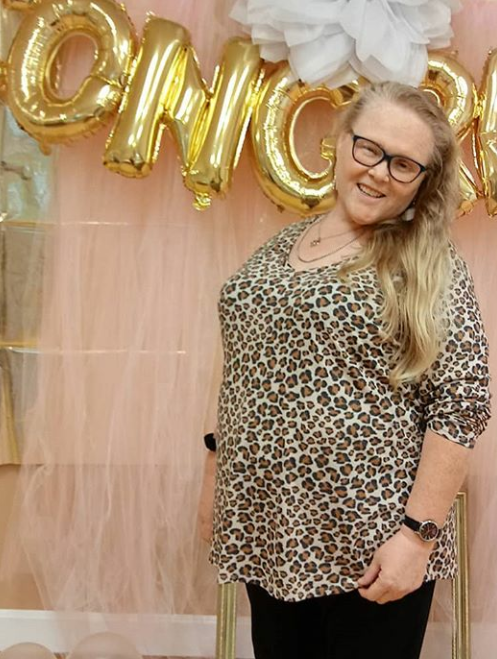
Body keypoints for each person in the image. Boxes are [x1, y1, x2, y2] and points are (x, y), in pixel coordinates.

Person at [198, 81, 492, 659]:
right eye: (369, 149)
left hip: (369, 545)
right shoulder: (282, 244)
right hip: (270, 528)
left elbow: (461, 404)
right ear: (342, 141)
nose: (379, 173)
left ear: (423, 181)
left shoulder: (427, 262)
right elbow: (241, 364)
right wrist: (216, 473)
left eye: (403, 164)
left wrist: (417, 539)